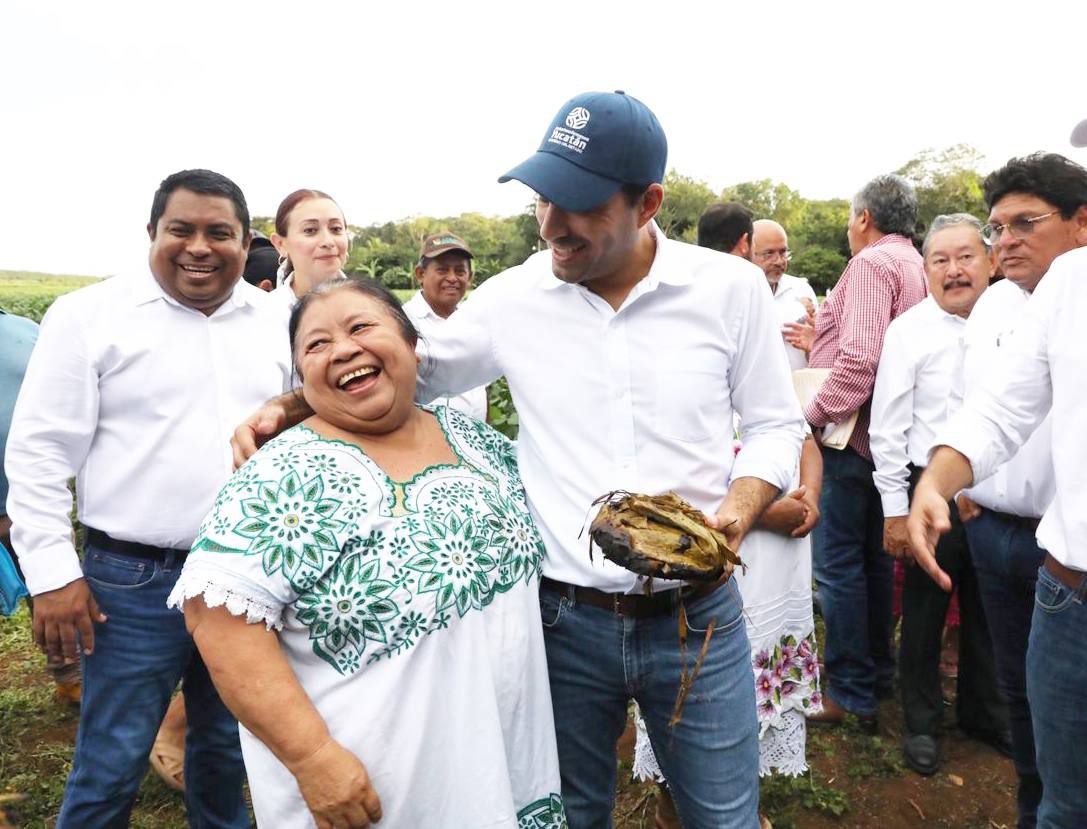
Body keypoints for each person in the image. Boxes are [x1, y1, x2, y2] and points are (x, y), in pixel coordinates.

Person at [231, 90, 805, 828]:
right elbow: (409, 367)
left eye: (580, 206)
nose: (551, 226)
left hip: (697, 618)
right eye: (543, 200)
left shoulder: (726, 290)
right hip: (564, 619)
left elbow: (770, 424)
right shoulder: (512, 300)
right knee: (567, 812)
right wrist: (289, 405)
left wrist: (736, 510)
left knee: (722, 813)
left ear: (648, 202)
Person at [171, 276, 564, 828]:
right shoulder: (283, 473)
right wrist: (312, 757)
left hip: (500, 762)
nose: (344, 349)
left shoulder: (476, 441)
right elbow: (219, 621)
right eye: (316, 345)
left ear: (413, 346)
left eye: (361, 327)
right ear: (300, 378)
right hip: (375, 783)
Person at [4, 169, 292, 828]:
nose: (199, 246)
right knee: (113, 761)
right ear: (151, 234)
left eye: (218, 232)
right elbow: (41, 453)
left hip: (249, 577)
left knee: (228, 750)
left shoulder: (278, 321)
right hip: (130, 582)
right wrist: (53, 574)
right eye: (181, 229)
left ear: (245, 243)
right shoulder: (89, 317)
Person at [906, 241, 1087, 828]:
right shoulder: (1071, 282)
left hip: (1043, 547)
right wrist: (938, 482)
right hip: (1069, 584)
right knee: (1063, 794)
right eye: (998, 226)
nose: (1006, 240)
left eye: (1024, 222)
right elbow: (998, 408)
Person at [869, 214, 1007, 775]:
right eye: (940, 260)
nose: (954, 271)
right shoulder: (909, 331)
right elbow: (887, 429)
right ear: (924, 269)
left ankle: (983, 712)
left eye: (966, 257)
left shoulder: (1015, 322)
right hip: (930, 493)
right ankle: (922, 723)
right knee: (925, 615)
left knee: (988, 613)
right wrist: (895, 512)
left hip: (999, 496)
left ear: (990, 260)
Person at [804, 174, 927, 731]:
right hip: (890, 444)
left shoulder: (872, 266)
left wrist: (804, 418)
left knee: (838, 569)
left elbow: (859, 361)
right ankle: (877, 673)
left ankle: (851, 691)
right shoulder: (914, 263)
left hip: (852, 442)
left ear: (863, 218)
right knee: (873, 564)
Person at [402, 232, 489, 420]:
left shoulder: (475, 320)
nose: (452, 278)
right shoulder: (402, 322)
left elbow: (479, 382)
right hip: (426, 441)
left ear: (470, 277)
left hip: (478, 439)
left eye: (460, 271)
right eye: (442, 270)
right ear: (420, 274)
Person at [269, 188, 350, 321]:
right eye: (310, 230)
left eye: (336, 229)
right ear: (280, 244)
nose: (328, 242)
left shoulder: (377, 308)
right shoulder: (263, 316)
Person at [751, 219, 818, 370]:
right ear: (749, 253)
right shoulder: (741, 289)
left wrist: (815, 346)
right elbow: (756, 326)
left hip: (798, 387)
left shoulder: (801, 288)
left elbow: (817, 346)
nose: (779, 261)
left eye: (783, 252)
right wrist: (798, 309)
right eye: (769, 253)